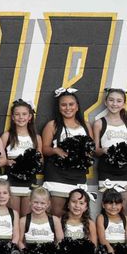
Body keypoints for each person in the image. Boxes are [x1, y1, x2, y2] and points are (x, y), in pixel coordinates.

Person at [40, 88, 96, 217]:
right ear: (59, 107)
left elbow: (91, 148)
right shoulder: (52, 125)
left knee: (75, 215)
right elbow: (44, 149)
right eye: (63, 105)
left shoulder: (86, 126)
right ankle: (58, 238)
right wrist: (55, 150)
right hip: (57, 175)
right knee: (56, 214)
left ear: (77, 107)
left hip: (78, 176)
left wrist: (85, 155)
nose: (67, 108)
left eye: (71, 104)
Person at [93, 88, 127, 202]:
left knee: (123, 207)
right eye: (111, 100)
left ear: (124, 103)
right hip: (106, 168)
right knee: (108, 204)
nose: (115, 104)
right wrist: (104, 150)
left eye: (119, 101)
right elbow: (95, 150)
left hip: (123, 170)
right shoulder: (99, 123)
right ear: (105, 102)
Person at [1, 99, 41, 216]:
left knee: (26, 217)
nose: (21, 117)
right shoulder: (7, 136)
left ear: (30, 117)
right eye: (17, 114)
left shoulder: (36, 137)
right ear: (12, 117)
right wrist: (7, 162)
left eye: (24, 114)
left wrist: (32, 164)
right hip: (12, 182)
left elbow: (41, 159)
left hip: (29, 182)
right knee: (13, 216)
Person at [58, 188, 100, 254]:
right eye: (74, 202)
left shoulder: (90, 223)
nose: (77, 205)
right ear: (68, 204)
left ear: (86, 207)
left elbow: (94, 245)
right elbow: (58, 242)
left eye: (81, 203)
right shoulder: (60, 221)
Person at [19, 187, 59, 254]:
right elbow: (19, 241)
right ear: (30, 202)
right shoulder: (23, 220)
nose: (39, 206)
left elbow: (60, 239)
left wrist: (55, 253)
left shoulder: (54, 220)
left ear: (48, 204)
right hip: (31, 253)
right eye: (36, 202)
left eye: (42, 203)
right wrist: (26, 253)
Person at [95, 183, 127, 254]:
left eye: (117, 203)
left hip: (122, 248)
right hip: (108, 248)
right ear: (103, 205)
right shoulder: (101, 218)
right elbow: (102, 238)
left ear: (121, 205)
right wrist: (109, 248)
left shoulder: (125, 218)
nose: (113, 207)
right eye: (109, 203)